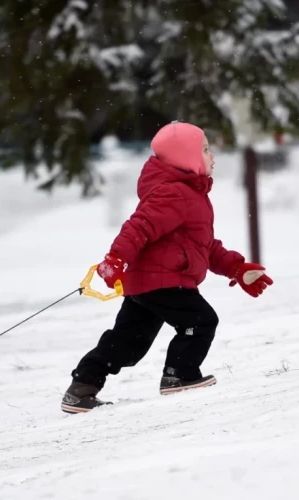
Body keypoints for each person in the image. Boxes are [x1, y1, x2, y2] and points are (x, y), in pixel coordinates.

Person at [61, 121, 273, 414]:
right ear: (187, 158)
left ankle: (82, 387)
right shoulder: (174, 193)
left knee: (128, 343)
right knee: (200, 321)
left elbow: (205, 247)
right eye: (205, 150)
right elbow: (139, 227)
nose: (212, 157)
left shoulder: (189, 195)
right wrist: (115, 259)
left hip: (148, 283)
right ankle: (179, 375)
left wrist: (237, 268)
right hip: (165, 281)